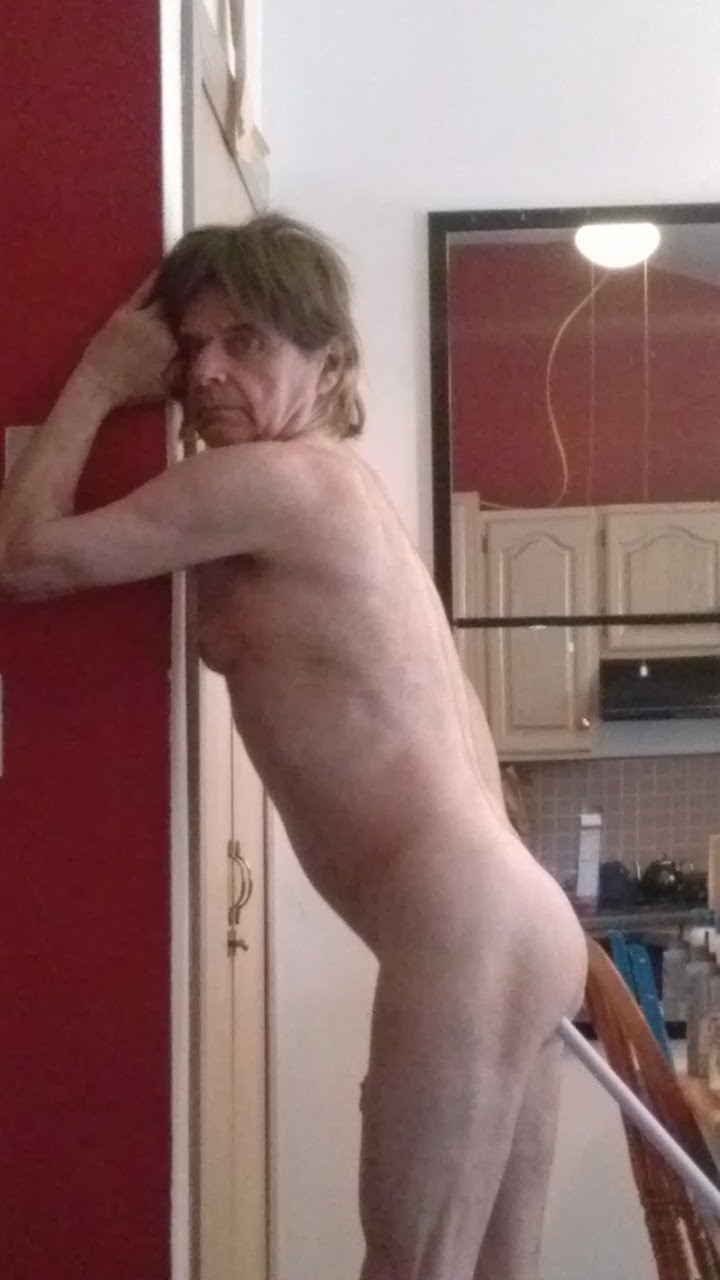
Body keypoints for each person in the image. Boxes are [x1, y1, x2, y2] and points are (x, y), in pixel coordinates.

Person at [0, 214, 587, 1280]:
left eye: (248, 341)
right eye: (192, 345)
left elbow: (23, 558)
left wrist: (95, 378)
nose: (205, 372)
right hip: (508, 910)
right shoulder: (337, 487)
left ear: (330, 361)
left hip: (465, 921)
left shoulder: (265, 484)